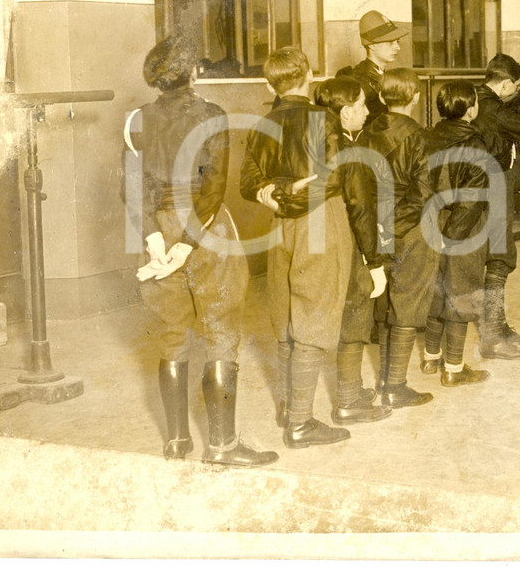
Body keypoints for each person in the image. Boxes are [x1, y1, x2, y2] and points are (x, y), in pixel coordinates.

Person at [124, 35, 278, 468]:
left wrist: (156, 244)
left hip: (156, 232)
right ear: (194, 73)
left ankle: (176, 442)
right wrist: (187, 246)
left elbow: (132, 190)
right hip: (206, 233)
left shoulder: (136, 119)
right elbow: (212, 191)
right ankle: (223, 446)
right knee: (221, 331)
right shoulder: (211, 114)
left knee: (171, 334)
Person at [240, 47, 353, 449]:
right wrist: (294, 196)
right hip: (319, 221)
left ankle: (289, 407)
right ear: (308, 74)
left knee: (288, 313)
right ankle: (302, 424)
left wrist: (278, 195)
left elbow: (247, 184)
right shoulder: (322, 119)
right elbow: (334, 180)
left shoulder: (261, 124)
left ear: (270, 83)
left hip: (279, 226)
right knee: (314, 314)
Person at [312, 77, 393, 424]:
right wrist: (373, 261)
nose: (366, 111)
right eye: (360, 105)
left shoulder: (313, 144)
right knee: (356, 316)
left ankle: (351, 389)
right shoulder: (352, 153)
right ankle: (348, 401)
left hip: (317, 242)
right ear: (345, 114)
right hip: (348, 244)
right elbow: (360, 210)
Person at [361, 68, 437, 407]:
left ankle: (382, 380)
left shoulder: (364, 133)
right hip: (410, 229)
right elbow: (422, 195)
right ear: (417, 98)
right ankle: (394, 387)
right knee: (406, 304)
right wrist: (394, 226)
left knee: (384, 299)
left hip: (371, 225)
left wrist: (376, 227)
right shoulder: (421, 137)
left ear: (380, 98)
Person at [472, 53, 520, 360]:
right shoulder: (493, 109)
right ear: (505, 84)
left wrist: (517, 96)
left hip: (486, 181)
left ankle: (497, 325)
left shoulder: (482, 99)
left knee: (498, 252)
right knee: (500, 255)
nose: (517, 90)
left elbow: (503, 119)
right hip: (495, 183)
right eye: (515, 86)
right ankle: (491, 337)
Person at [421, 80, 491, 388]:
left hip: (429, 222)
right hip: (462, 228)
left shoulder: (426, 138)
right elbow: (470, 201)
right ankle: (453, 369)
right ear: (471, 109)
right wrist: (452, 237)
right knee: (460, 293)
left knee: (435, 290)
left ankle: (429, 358)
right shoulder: (476, 148)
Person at [336, 10, 407, 125]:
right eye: (390, 42)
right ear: (372, 45)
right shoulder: (358, 80)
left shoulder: (383, 76)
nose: (397, 48)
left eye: (397, 42)